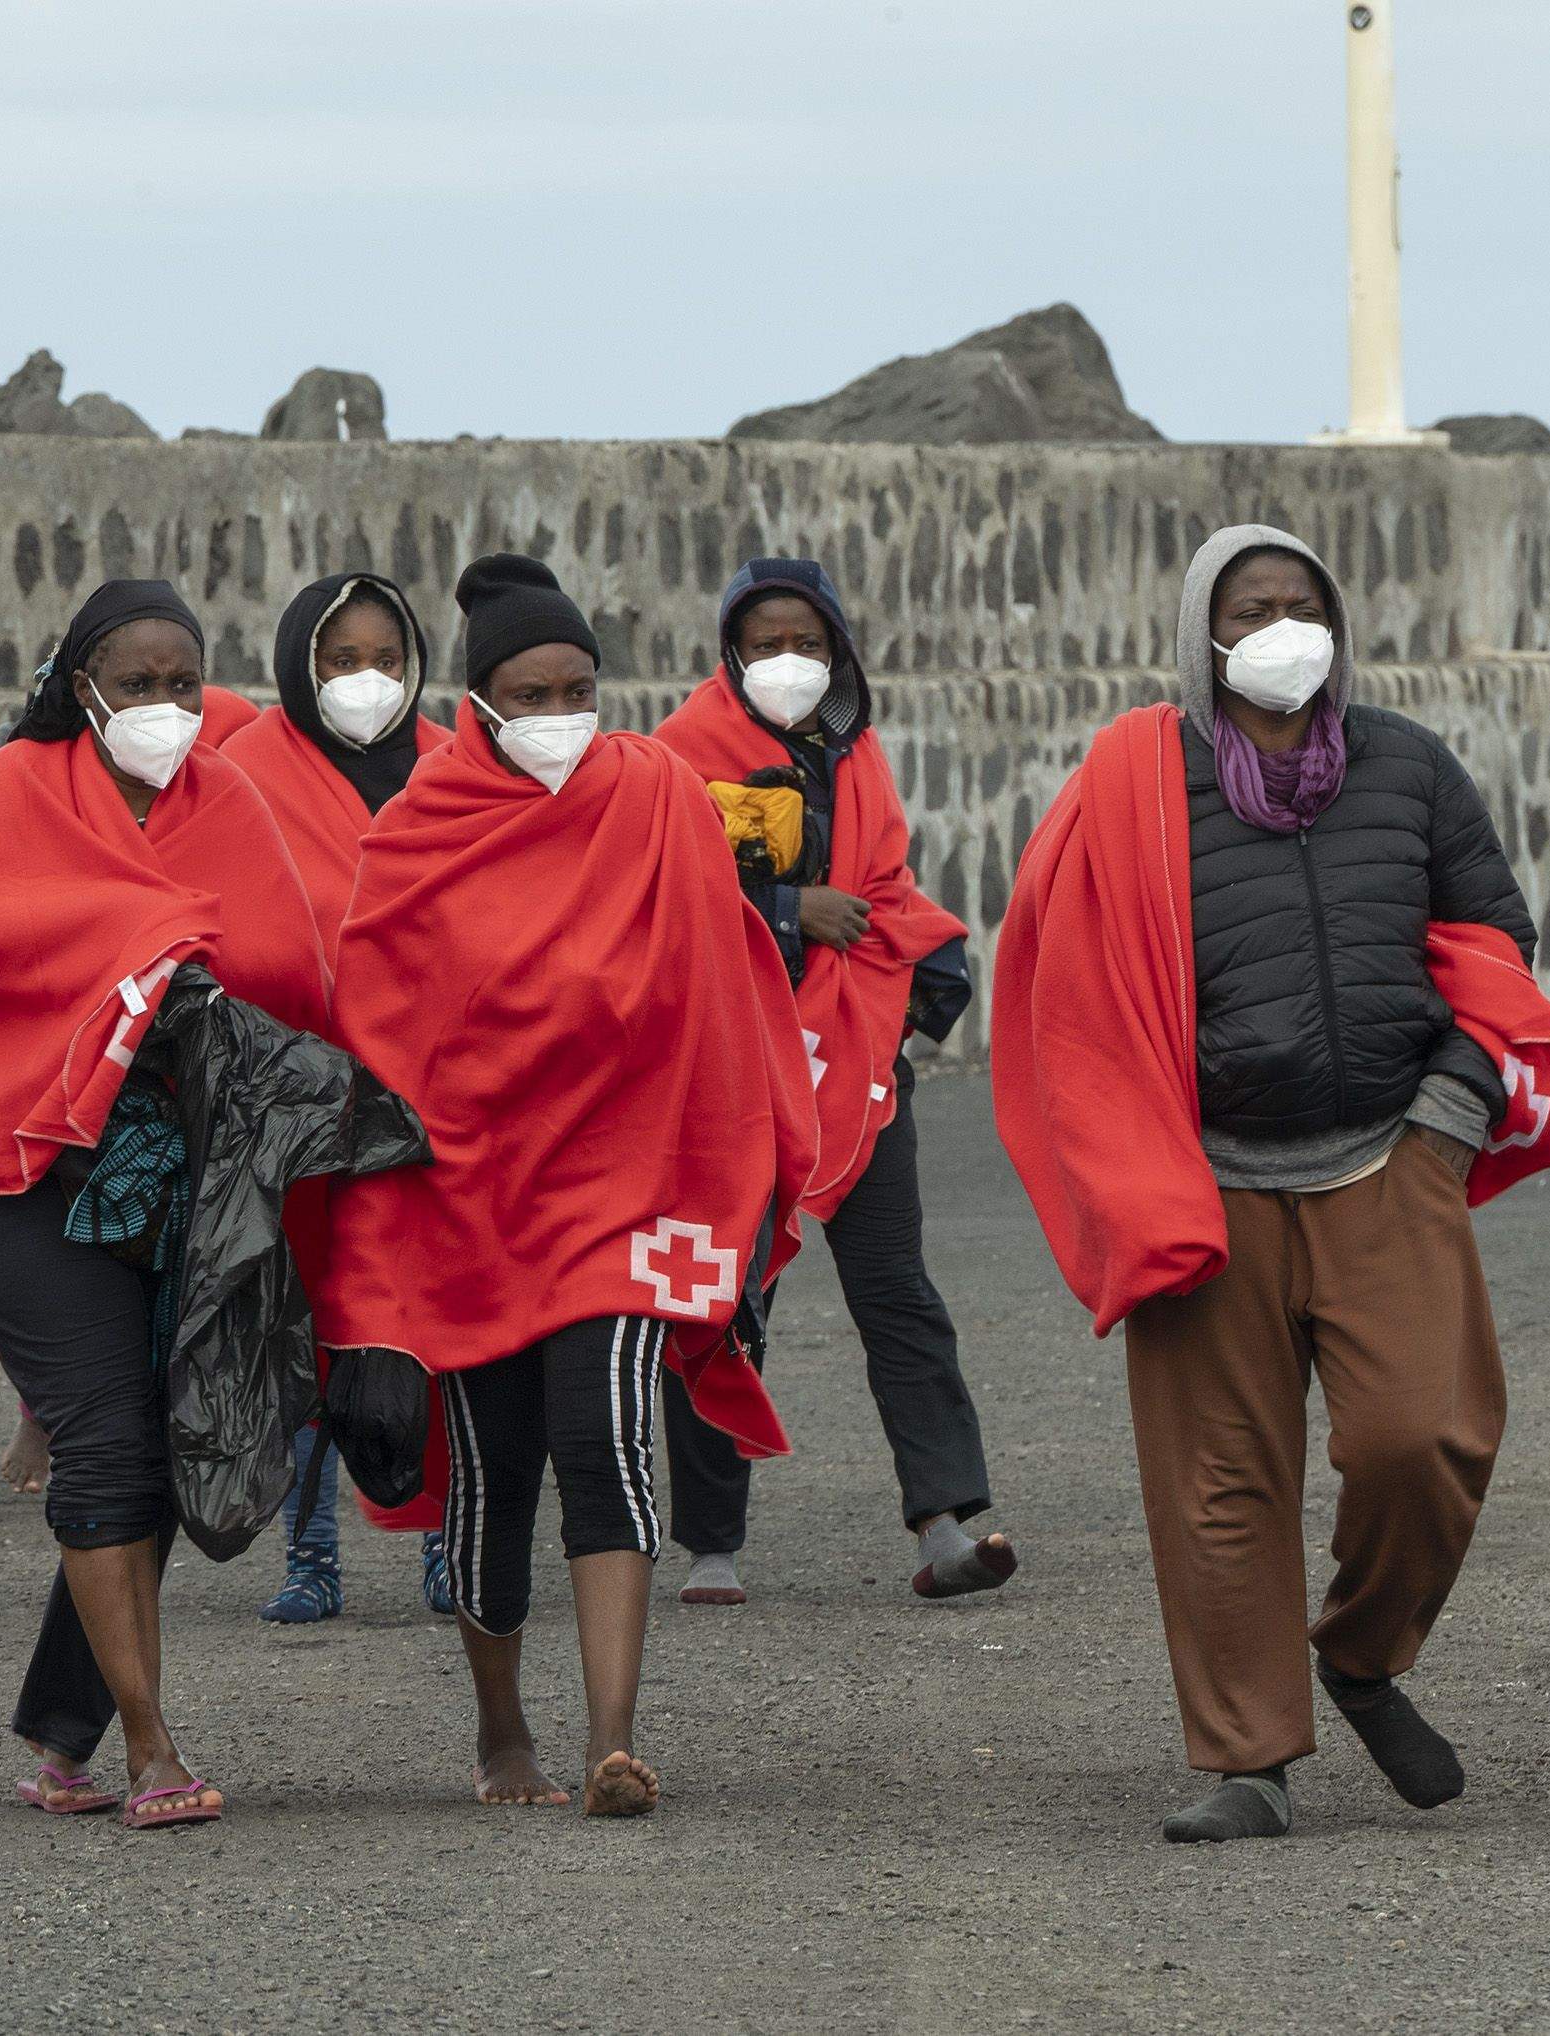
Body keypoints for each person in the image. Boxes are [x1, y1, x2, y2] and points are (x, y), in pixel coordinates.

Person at [991, 524, 1535, 1845]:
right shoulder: (1134, 780)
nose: (1281, 628)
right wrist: (1121, 1155)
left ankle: (1358, 1652)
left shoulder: (1406, 766)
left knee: (1426, 1435)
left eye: (1302, 605)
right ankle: (1245, 1759)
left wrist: (1449, 1115)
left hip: (1385, 1159)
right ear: (1203, 634)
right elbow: (1054, 971)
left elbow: (1493, 935)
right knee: (1219, 1487)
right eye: (1251, 608)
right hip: (1204, 1184)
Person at [317, 554, 813, 1817]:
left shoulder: (653, 794)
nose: (559, 713)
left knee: (608, 1444)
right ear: (477, 701)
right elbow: (383, 1042)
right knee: (492, 1477)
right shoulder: (413, 834)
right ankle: (501, 1731)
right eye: (531, 691)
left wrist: (738, 1185)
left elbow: (719, 985)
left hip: (625, 1193)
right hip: (471, 1209)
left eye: (579, 686)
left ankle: (611, 1737)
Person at [0, 579, 334, 1830]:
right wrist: (148, 934)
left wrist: (181, 951)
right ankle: (150, 1750)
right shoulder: (17, 789)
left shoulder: (230, 798)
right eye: (143, 681)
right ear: (83, 686)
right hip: (14, 1169)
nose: (169, 705)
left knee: (157, 1449)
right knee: (113, 1442)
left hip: (183, 1183)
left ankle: (62, 1736)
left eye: (188, 680)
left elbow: (289, 964)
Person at [649, 558, 1006, 1606]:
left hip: (856, 1063)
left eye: (806, 639)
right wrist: (786, 911)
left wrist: (880, 937)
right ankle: (713, 1542)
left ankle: (944, 1521)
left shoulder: (860, 756)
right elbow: (657, 897)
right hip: (733, 1067)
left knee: (896, 1291)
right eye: (764, 640)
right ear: (730, 651)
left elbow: (883, 885)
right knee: (725, 1295)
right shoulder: (676, 756)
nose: (786, 660)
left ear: (839, 648)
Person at [221, 571, 456, 1624]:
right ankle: (309, 1554)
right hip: (301, 1099)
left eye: (388, 660)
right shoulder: (244, 776)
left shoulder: (459, 767)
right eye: (341, 661)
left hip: (433, 1099)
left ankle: (455, 1541)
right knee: (304, 1323)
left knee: (443, 1323)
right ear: (298, 665)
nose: (369, 682)